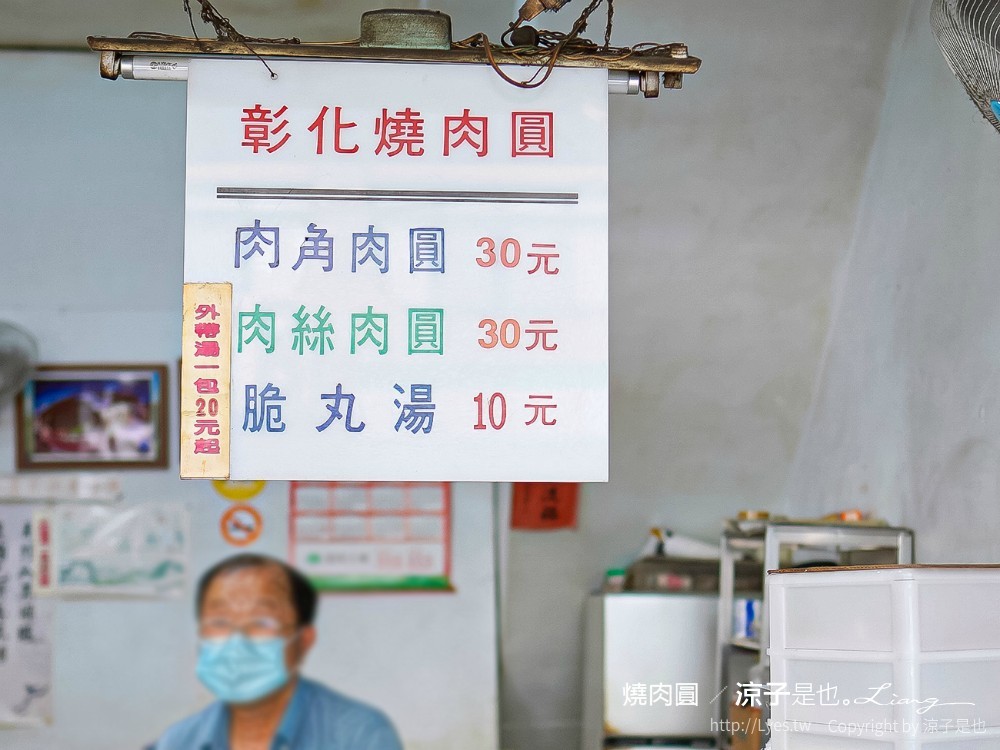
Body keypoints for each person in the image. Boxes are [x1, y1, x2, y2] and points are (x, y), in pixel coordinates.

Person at [154, 553, 403, 750]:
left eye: (262, 622)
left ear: (304, 641)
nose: (237, 641)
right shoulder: (178, 742)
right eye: (219, 622)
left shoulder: (358, 735)